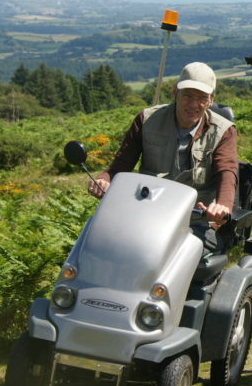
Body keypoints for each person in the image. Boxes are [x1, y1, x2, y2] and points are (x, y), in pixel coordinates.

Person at [90, 62, 238, 252]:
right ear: (175, 92)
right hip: (147, 214)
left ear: (211, 100)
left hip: (195, 221)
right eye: (188, 95)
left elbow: (227, 171)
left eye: (202, 98)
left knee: (188, 254)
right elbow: (121, 163)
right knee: (106, 243)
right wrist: (104, 179)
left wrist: (222, 206)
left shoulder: (223, 131)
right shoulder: (146, 120)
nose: (193, 105)